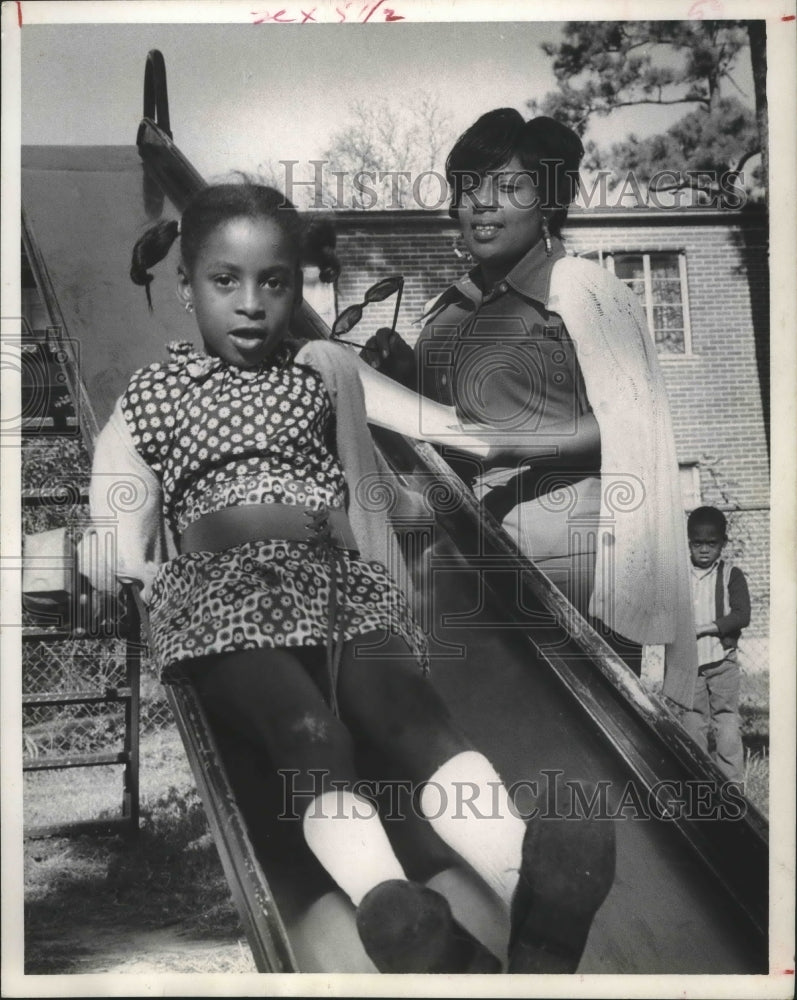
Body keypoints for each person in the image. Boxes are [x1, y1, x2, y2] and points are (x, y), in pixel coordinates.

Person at [81, 181, 614, 974]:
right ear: (186, 288)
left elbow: (444, 431)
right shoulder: (155, 394)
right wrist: (116, 562)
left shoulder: (321, 373)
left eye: (275, 281)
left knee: (412, 718)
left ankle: (530, 897)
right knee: (311, 735)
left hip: (336, 587)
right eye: (225, 281)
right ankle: (399, 915)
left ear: (297, 289)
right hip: (222, 601)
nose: (252, 303)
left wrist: (579, 432)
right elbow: (118, 500)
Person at [363, 108, 697, 705]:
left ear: (546, 201)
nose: (482, 204)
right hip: (459, 553)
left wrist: (519, 445)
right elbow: (440, 416)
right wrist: (403, 371)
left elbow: (632, 425)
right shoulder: (448, 310)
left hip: (563, 555)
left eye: (508, 186)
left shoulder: (584, 290)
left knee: (580, 732)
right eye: (469, 188)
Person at [681, 507, 750, 783]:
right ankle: (697, 783)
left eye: (712, 544)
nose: (705, 550)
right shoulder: (679, 575)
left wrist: (704, 628)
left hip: (722, 662)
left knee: (726, 720)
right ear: (689, 543)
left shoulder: (731, 575)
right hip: (689, 665)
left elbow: (741, 615)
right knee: (692, 722)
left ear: (723, 542)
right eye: (698, 544)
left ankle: (731, 788)